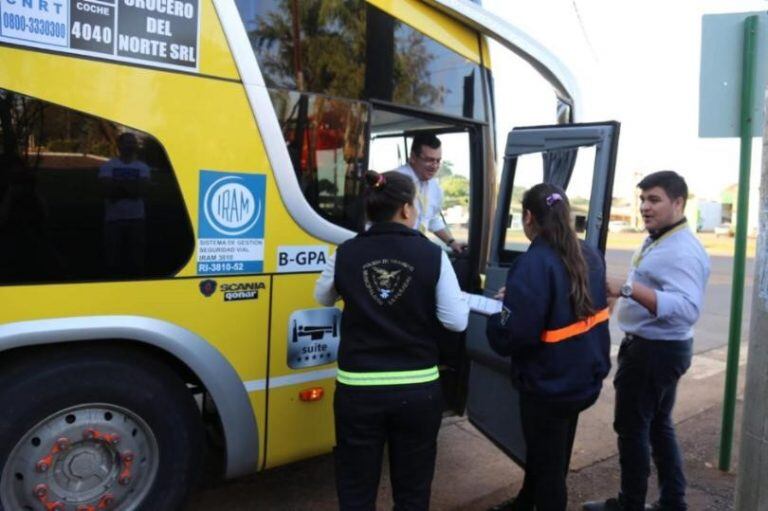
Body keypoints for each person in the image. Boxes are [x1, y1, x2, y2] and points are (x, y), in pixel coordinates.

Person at [314, 169, 469, 510]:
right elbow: (456, 322)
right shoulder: (432, 255)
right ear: (405, 209)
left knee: (356, 488)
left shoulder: (347, 252)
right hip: (417, 389)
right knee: (412, 491)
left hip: (358, 390)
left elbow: (322, 297)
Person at [583, 171, 710, 511]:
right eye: (642, 199)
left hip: (655, 351)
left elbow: (686, 309)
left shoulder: (682, 251)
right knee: (657, 426)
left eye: (654, 199)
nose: (645, 207)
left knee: (632, 428)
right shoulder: (659, 237)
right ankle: (672, 501)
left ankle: (630, 504)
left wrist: (627, 288)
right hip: (658, 347)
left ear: (678, 202)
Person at [486, 183, 611, 511]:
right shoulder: (589, 254)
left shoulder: (534, 263)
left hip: (549, 387)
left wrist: (499, 316)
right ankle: (527, 500)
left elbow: (516, 335)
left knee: (550, 471)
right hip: (582, 378)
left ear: (528, 217)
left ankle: (539, 500)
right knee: (550, 456)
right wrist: (520, 299)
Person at [395, 133, 465, 253]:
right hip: (394, 249)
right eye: (429, 160)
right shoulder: (395, 181)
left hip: (416, 249)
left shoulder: (435, 187)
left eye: (438, 161)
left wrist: (451, 242)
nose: (435, 166)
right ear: (413, 157)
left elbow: (431, 219)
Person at [98, 132, 151, 277]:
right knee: (113, 258)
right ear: (119, 145)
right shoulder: (108, 166)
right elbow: (107, 190)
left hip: (137, 219)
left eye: (133, 142)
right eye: (127, 142)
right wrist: (132, 188)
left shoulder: (143, 167)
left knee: (136, 259)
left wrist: (118, 186)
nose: (131, 145)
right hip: (113, 220)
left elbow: (142, 190)